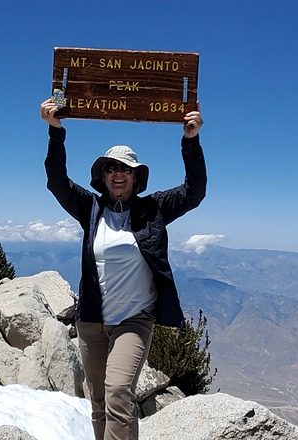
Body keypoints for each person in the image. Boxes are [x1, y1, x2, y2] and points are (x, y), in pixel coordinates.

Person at [39, 98, 207, 440]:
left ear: (135, 176)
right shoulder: (90, 207)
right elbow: (57, 182)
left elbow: (194, 192)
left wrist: (191, 142)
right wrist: (55, 133)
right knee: (99, 402)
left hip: (134, 319)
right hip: (91, 322)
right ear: (103, 176)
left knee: (118, 392)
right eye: (112, 168)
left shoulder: (154, 209)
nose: (118, 173)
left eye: (125, 168)